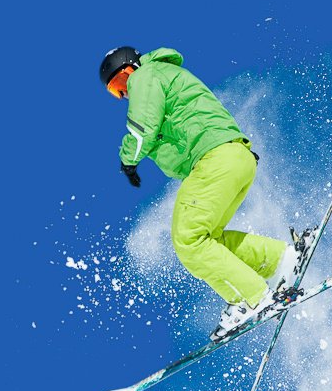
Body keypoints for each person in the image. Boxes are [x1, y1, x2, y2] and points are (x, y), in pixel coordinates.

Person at [100, 45, 310, 338]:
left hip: (213, 161)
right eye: (115, 93)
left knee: (188, 240)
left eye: (119, 85)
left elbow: (142, 129)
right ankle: (282, 259)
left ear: (129, 68)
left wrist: (128, 161)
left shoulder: (145, 77)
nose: (123, 94)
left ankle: (250, 297)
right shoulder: (164, 76)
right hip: (235, 158)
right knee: (209, 239)